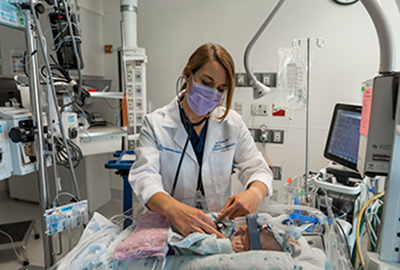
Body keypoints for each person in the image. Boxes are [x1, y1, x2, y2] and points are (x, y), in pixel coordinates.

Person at [129, 43, 273, 239]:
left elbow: (258, 169)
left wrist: (255, 193)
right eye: (206, 83)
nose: (213, 94)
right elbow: (144, 178)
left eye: (221, 89)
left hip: (217, 227)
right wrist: (173, 208)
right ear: (188, 74)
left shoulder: (232, 123)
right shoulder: (155, 124)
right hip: (171, 227)